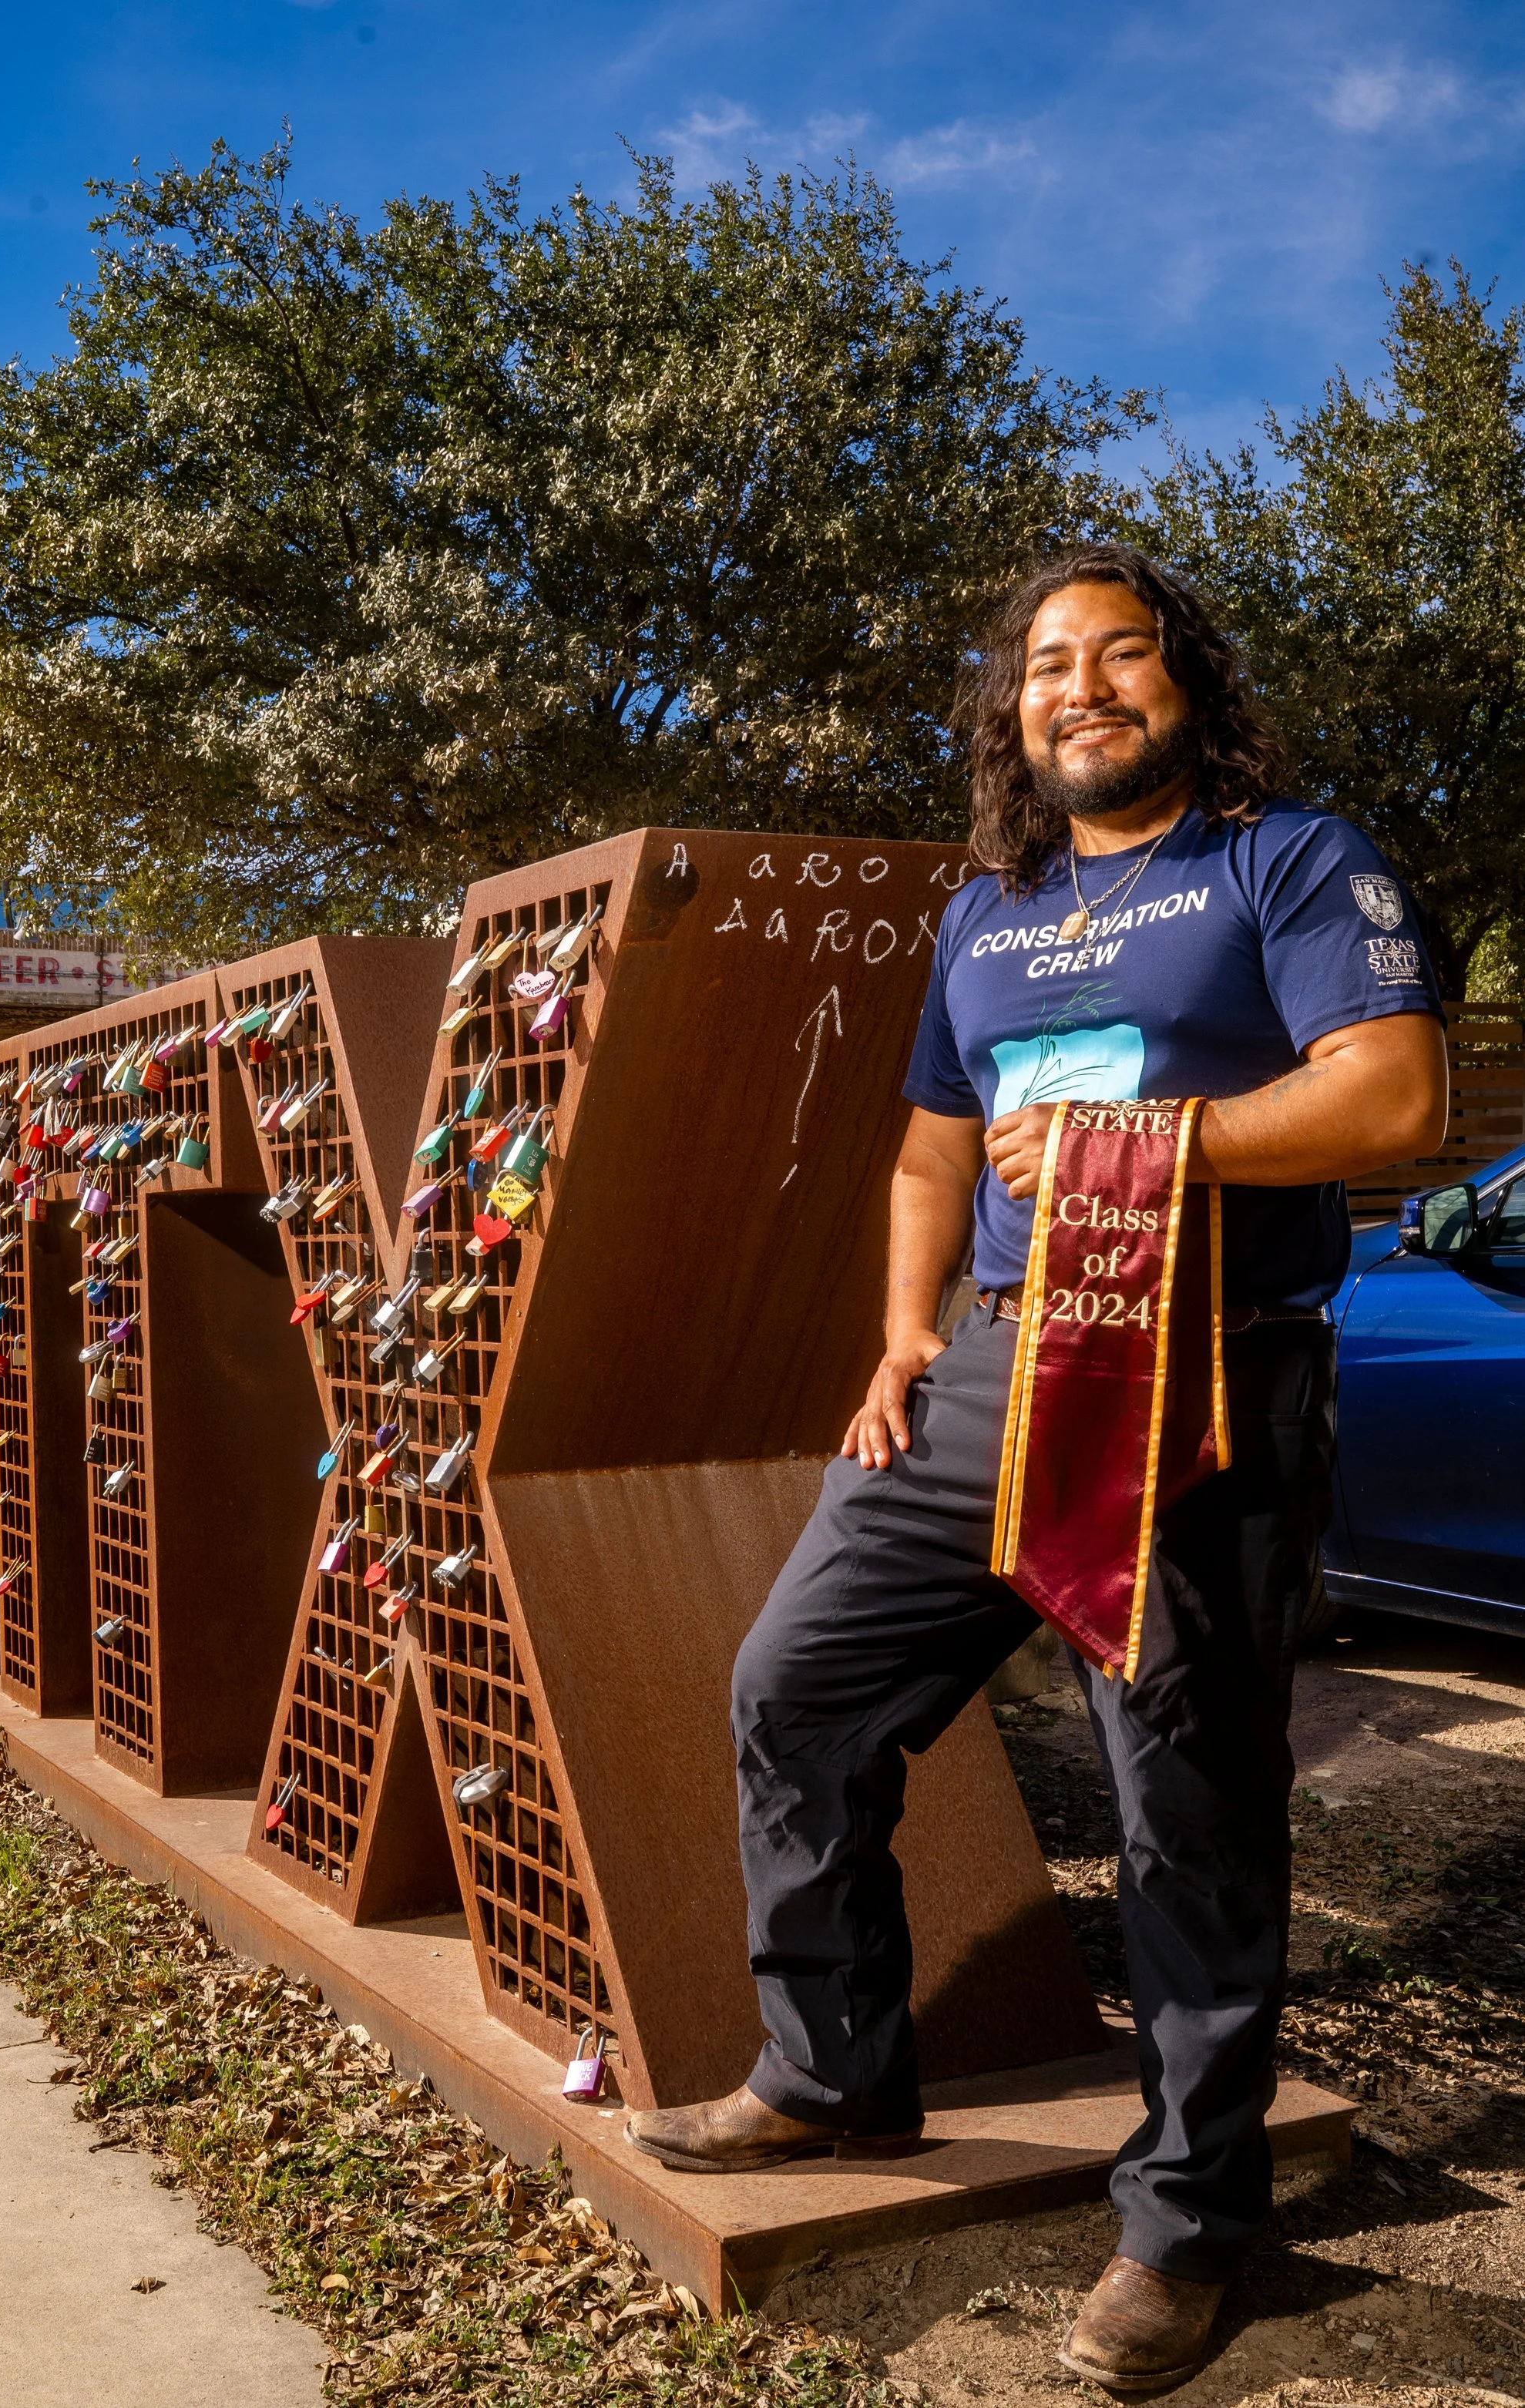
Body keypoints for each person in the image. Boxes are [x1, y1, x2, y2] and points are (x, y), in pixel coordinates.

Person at [625, 544, 1448, 2391]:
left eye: (1118, 653)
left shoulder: (1289, 859)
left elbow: (1392, 1094)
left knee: (1181, 1806)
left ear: (1184, 681)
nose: (1076, 685)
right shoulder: (980, 914)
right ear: (1013, 713)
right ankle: (831, 2076)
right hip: (987, 1374)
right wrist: (901, 1334)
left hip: (1199, 1388)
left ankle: (1184, 2219)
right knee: (795, 1691)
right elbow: (929, 1146)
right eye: (1043, 665)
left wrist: (1151, 1136)